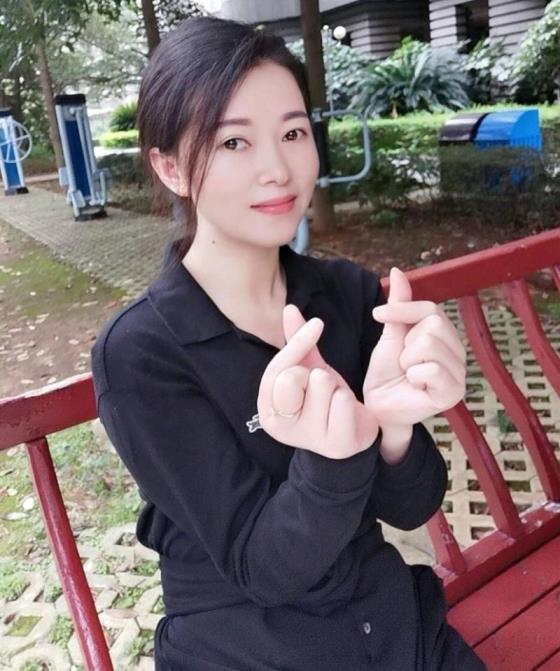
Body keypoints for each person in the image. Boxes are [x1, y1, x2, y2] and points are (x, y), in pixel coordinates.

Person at [90, 15, 487, 671]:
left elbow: (412, 505)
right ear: (170, 167)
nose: (277, 169)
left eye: (294, 133)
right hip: (246, 646)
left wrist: (393, 426)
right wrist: (333, 457)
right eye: (233, 142)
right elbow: (263, 568)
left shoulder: (346, 293)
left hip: (392, 626)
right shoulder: (142, 353)